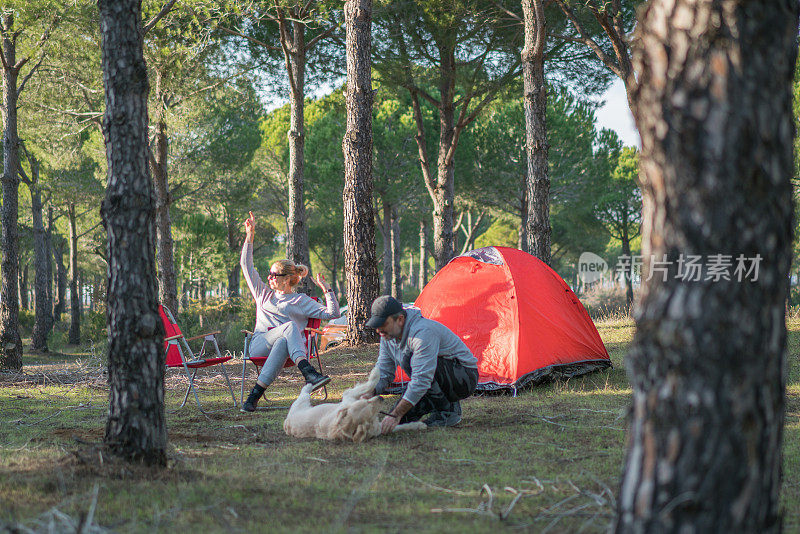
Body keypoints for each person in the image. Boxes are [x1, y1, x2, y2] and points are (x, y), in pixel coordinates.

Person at [240, 211, 340, 412]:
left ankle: (253, 398)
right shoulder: (263, 294)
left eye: (273, 275)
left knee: (284, 340)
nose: (269, 278)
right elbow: (246, 265)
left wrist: (327, 290)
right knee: (288, 329)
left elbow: (333, 314)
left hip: (286, 350)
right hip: (260, 344)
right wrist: (249, 237)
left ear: (286, 279)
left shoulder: (301, 300)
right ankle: (309, 372)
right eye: (269, 274)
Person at [362, 295, 479, 431]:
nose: (378, 330)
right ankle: (446, 405)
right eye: (376, 325)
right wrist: (370, 392)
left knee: (408, 360)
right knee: (398, 422)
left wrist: (396, 414)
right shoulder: (388, 336)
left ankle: (447, 412)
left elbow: (421, 380)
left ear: (400, 319)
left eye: (382, 324)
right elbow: (384, 370)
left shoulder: (423, 333)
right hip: (437, 377)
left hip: (465, 377)